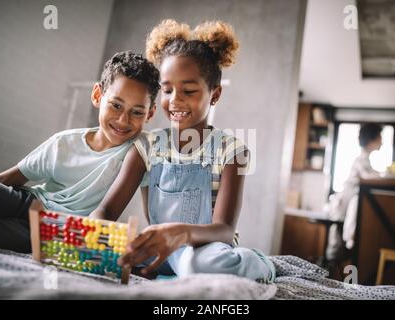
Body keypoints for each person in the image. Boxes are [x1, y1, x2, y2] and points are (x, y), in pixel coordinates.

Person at [91, 20, 276, 283]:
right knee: (116, 249)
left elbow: (224, 229)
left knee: (194, 263)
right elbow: (107, 211)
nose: (175, 100)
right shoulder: (146, 146)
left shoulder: (232, 151)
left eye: (188, 90)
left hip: (206, 251)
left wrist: (179, 233)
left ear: (215, 94)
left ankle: (260, 264)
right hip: (159, 252)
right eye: (167, 90)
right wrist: (97, 232)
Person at [0, 51, 160, 253]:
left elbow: (140, 214)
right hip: (27, 202)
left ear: (150, 113)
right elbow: (5, 180)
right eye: (116, 105)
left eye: (137, 112)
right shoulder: (63, 143)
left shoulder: (140, 151)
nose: (123, 120)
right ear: (97, 95)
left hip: (55, 231)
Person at [326, 123, 383, 261]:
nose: (382, 141)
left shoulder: (365, 160)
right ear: (372, 139)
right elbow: (368, 177)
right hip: (343, 206)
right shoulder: (360, 159)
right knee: (336, 249)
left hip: (347, 206)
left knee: (340, 248)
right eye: (380, 137)